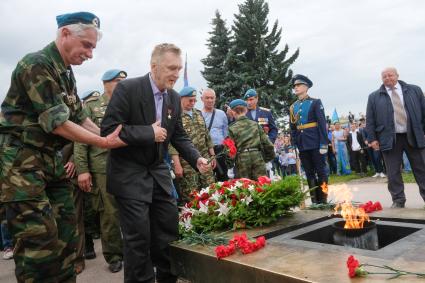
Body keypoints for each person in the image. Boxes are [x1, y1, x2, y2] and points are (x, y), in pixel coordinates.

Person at [0, 12, 125, 282]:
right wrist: (104, 142)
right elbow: (57, 123)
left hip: (50, 163)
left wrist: (111, 135)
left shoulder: (65, 72)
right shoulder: (35, 64)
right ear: (65, 34)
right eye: (87, 45)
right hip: (21, 166)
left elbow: (79, 116)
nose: (90, 54)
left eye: (93, 47)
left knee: (68, 235)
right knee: (39, 245)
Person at [100, 43, 210, 283]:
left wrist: (196, 157)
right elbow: (108, 131)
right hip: (129, 175)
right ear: (154, 66)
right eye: (171, 68)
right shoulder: (128, 89)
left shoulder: (173, 97)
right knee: (138, 239)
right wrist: (147, 133)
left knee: (168, 234)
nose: (176, 74)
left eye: (179, 68)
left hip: (158, 174)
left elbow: (178, 134)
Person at [74, 69, 127, 273]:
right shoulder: (92, 107)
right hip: (102, 167)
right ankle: (114, 256)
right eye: (117, 81)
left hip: (127, 165)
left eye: (124, 81)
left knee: (130, 210)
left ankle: (131, 249)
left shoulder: (128, 103)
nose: (121, 84)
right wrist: (83, 170)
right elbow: (81, 140)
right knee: (110, 214)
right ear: (105, 83)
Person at [366, 67, 425, 208]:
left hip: (414, 135)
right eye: (384, 76)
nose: (387, 78)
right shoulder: (374, 96)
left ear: (397, 75)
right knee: (392, 172)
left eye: (390, 75)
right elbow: (370, 120)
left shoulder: (414, 90)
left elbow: (424, 111)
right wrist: (372, 138)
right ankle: (398, 200)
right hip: (389, 138)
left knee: (421, 168)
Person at [169, 86, 216, 205]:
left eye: (195, 100)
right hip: (186, 163)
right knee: (191, 194)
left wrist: (212, 155)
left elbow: (207, 136)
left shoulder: (198, 113)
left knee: (210, 192)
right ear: (181, 99)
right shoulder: (175, 115)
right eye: (190, 100)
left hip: (204, 159)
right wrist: (177, 164)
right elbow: (172, 142)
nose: (193, 103)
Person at [289, 74, 328, 204]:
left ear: (306, 87)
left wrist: (323, 143)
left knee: (321, 171)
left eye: (298, 85)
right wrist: (294, 143)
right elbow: (293, 127)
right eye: (295, 86)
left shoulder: (315, 102)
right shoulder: (293, 107)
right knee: (309, 172)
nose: (296, 87)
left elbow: (322, 124)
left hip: (315, 142)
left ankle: (323, 200)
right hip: (302, 144)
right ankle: (314, 201)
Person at [227, 99, 275, 179]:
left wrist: (230, 166)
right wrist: (266, 160)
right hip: (258, 158)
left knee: (245, 188)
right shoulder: (255, 125)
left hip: (242, 160)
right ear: (246, 110)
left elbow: (230, 150)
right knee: (262, 187)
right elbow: (268, 145)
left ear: (232, 112)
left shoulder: (231, 128)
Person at [201, 88, 229, 181]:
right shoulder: (199, 115)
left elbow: (226, 132)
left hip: (220, 150)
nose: (210, 100)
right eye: (207, 98)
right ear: (202, 99)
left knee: (223, 177)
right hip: (206, 151)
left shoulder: (221, 114)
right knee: (208, 178)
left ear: (215, 99)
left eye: (212, 98)